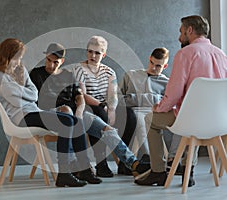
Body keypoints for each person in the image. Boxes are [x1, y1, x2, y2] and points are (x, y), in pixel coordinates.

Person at [0, 38, 102, 187]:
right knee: (67, 121)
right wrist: (24, 92)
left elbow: (34, 94)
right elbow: (16, 102)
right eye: (16, 58)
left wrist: (19, 91)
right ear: (6, 56)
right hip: (20, 117)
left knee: (76, 121)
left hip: (33, 111)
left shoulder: (20, 70)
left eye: (20, 58)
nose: (19, 62)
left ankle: (84, 170)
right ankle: (64, 174)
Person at [29, 42, 150, 178]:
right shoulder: (36, 74)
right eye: (48, 60)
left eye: (55, 62)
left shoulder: (68, 75)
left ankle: (133, 163)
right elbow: (34, 99)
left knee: (106, 129)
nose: (51, 65)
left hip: (74, 114)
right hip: (52, 114)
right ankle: (77, 167)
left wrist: (80, 111)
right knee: (68, 110)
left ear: (62, 61)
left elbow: (79, 96)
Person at [135, 15, 227, 187]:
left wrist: (159, 107)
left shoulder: (185, 53)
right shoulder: (221, 54)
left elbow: (175, 92)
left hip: (191, 120)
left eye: (181, 32)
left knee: (151, 120)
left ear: (189, 30)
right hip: (218, 122)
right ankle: (187, 171)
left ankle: (158, 172)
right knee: (198, 118)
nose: (179, 37)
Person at [73, 36, 138, 175]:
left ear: (104, 55)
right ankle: (100, 163)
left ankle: (123, 164)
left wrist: (112, 109)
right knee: (99, 115)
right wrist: (103, 106)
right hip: (89, 105)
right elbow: (82, 94)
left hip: (107, 105)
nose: (93, 55)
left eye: (97, 53)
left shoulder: (109, 71)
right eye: (90, 51)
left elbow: (113, 94)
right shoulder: (79, 68)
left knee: (131, 116)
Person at [118, 47, 181, 175]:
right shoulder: (131, 75)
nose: (153, 68)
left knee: (181, 121)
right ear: (149, 59)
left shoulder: (167, 83)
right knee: (142, 119)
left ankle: (173, 160)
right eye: (152, 63)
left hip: (158, 113)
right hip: (135, 111)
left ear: (165, 66)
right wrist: (154, 99)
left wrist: (136, 98)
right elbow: (117, 98)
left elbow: (171, 103)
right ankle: (146, 159)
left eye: (158, 66)